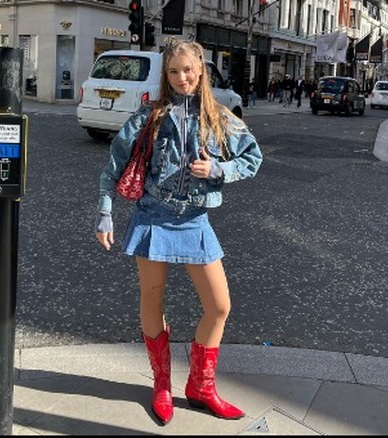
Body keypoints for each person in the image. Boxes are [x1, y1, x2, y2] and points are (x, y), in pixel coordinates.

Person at [94, 40, 263, 426]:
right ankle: (162, 385)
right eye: (173, 71)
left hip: (195, 221)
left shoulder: (219, 117)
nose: (181, 78)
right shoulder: (149, 116)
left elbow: (253, 157)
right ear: (165, 75)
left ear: (200, 70)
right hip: (153, 218)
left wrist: (219, 171)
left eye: (188, 70)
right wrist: (105, 213)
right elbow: (112, 167)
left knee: (219, 306)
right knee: (152, 301)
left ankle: (201, 387)